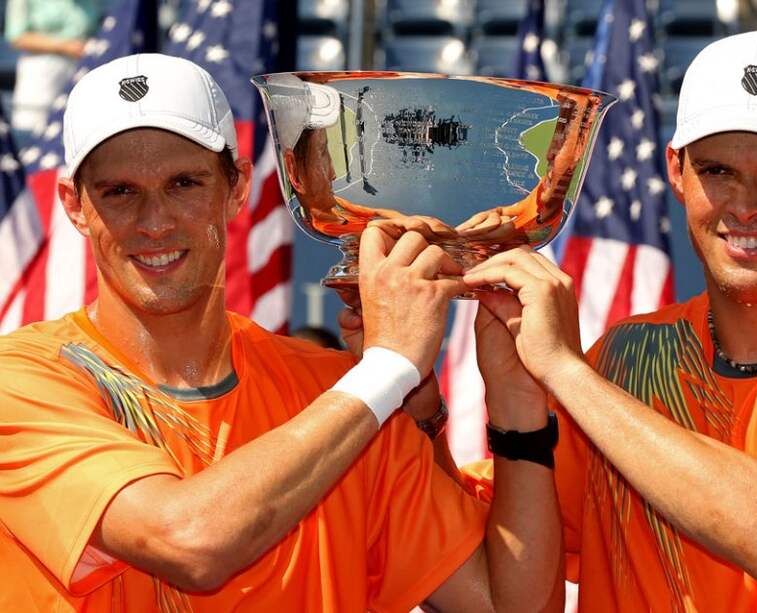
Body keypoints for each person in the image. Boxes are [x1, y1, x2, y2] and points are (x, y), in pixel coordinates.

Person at [0, 53, 565, 612]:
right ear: (75, 205)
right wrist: (389, 366)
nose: (155, 222)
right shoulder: (20, 381)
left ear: (238, 187)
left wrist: (516, 398)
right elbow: (188, 542)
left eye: (184, 183)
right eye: (119, 191)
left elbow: (508, 607)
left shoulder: (344, 395)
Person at [463, 28, 757, 611]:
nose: (746, 203)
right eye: (717, 171)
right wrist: (415, 393)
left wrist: (565, 371)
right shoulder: (627, 355)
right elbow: (502, 594)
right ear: (676, 172)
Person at [4, 0, 105, 145]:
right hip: (41, 71)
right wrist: (64, 46)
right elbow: (16, 37)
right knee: (30, 128)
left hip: (83, 67)